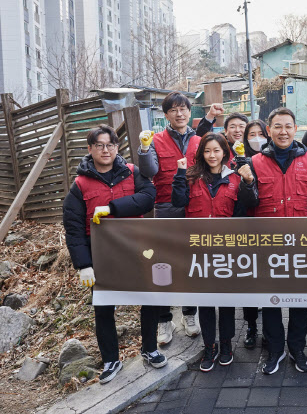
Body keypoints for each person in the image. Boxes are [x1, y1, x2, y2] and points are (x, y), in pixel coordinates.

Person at [63, 125, 167, 384]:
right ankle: (111, 359)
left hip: (136, 249)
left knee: (150, 298)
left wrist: (111, 208)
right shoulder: (80, 184)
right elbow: (73, 227)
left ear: (117, 148)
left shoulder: (132, 172)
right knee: (104, 307)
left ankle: (150, 348)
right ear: (90, 149)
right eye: (99, 145)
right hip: (100, 255)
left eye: (110, 144)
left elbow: (148, 197)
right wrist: (83, 264)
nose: (105, 149)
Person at [238, 107, 307, 375]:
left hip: (301, 240)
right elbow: (247, 204)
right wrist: (247, 184)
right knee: (271, 298)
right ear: (269, 130)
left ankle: (298, 349)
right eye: (277, 126)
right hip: (268, 242)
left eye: (288, 126)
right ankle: (275, 350)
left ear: (295, 128)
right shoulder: (254, 162)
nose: (283, 131)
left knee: (299, 298)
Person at [171, 132, 256, 372]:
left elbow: (242, 212)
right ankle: (210, 346)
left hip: (226, 249)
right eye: (207, 151)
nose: (212, 155)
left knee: (226, 301)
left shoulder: (235, 179)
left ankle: (227, 344)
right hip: (198, 249)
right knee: (205, 301)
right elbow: (178, 202)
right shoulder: (189, 177)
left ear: (225, 153)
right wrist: (178, 175)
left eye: (217, 150)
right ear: (201, 154)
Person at [137, 91, 203, 345]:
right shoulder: (156, 140)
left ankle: (189, 314)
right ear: (166, 115)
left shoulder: (199, 140)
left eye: (183, 109)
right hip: (165, 207)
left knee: (190, 262)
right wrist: (144, 148)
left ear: (190, 111)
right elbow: (149, 170)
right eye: (173, 110)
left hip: (194, 207)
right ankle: (164, 321)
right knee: (162, 265)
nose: (179, 114)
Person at [239, 119, 270, 349]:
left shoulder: (269, 161)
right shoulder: (237, 161)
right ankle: (251, 326)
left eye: (261, 133)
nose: (257, 138)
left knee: (269, 283)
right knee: (250, 283)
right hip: (246, 229)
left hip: (268, 230)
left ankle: (270, 330)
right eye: (252, 134)